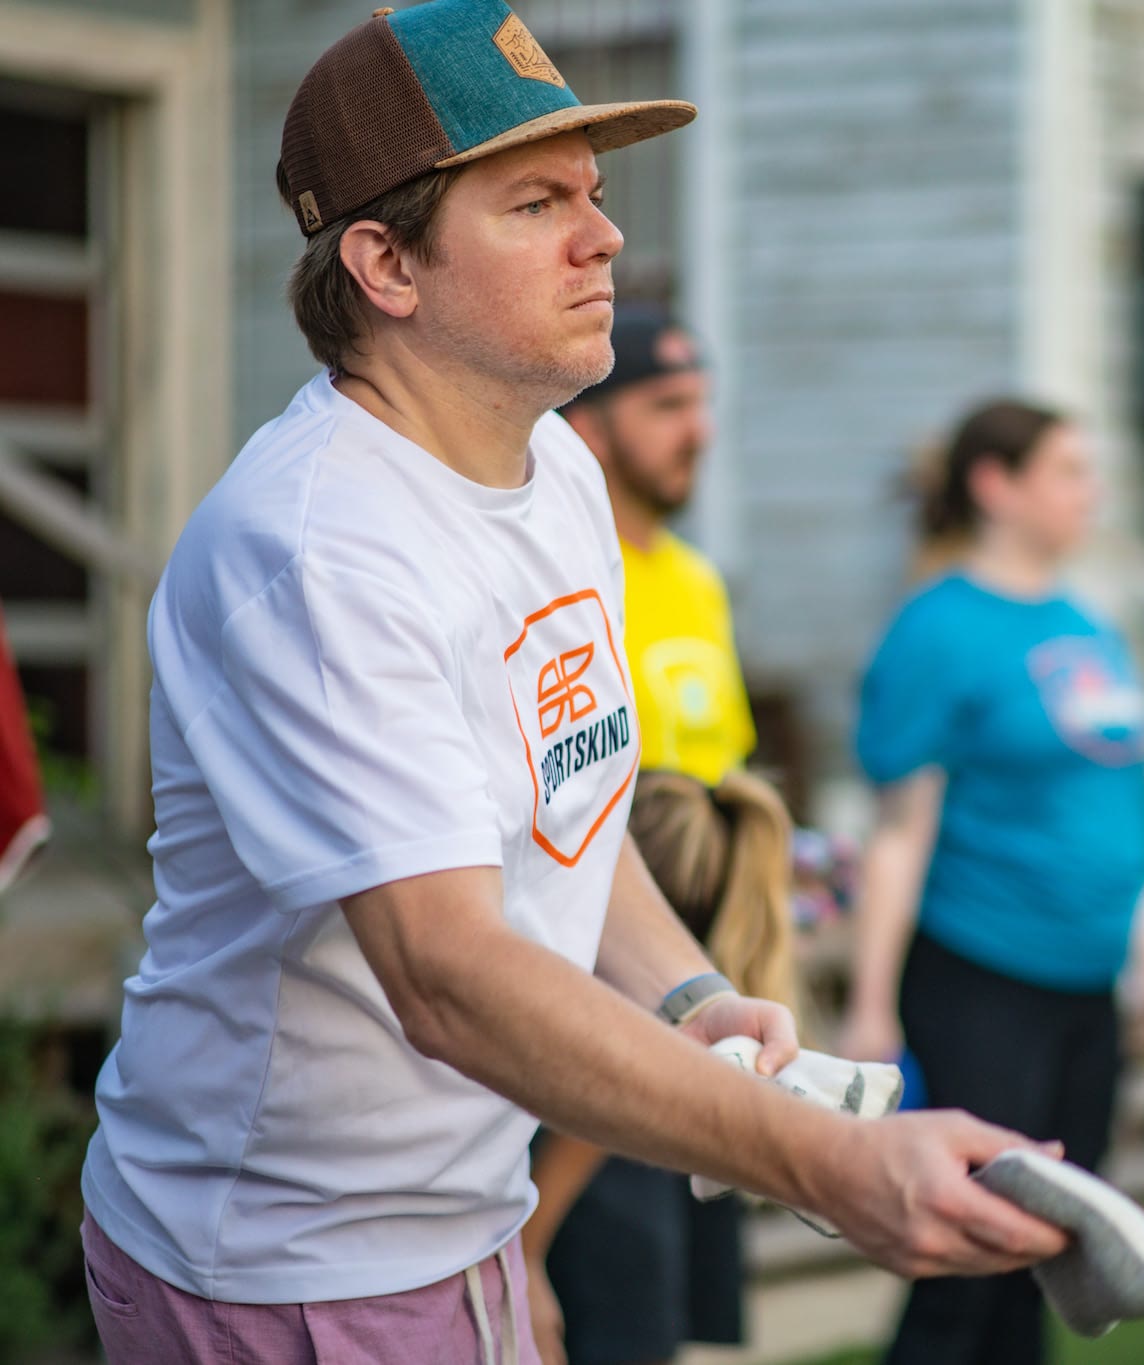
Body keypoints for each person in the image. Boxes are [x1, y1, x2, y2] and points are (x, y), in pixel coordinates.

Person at [76, 6, 1065, 1362]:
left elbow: (574, 808)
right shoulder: (314, 549)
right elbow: (448, 974)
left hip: (459, 1217)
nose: (604, 237)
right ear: (385, 264)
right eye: (536, 203)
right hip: (284, 1258)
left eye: (592, 194)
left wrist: (688, 997)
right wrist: (822, 1162)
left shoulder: (557, 471)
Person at [841, 399, 1144, 1365]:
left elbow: (1114, 809)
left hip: (1089, 985)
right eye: (1068, 471)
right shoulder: (937, 629)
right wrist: (870, 1008)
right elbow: (900, 832)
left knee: (1047, 1260)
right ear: (996, 485)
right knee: (965, 1263)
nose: (1091, 491)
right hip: (983, 977)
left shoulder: (1089, 625)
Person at [523, 309, 788, 1365]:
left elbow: (723, 779)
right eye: (668, 406)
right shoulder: (560, 584)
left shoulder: (696, 579)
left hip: (696, 989)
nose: (699, 430)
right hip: (592, 990)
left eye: (704, 403)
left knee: (677, 1322)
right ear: (586, 430)